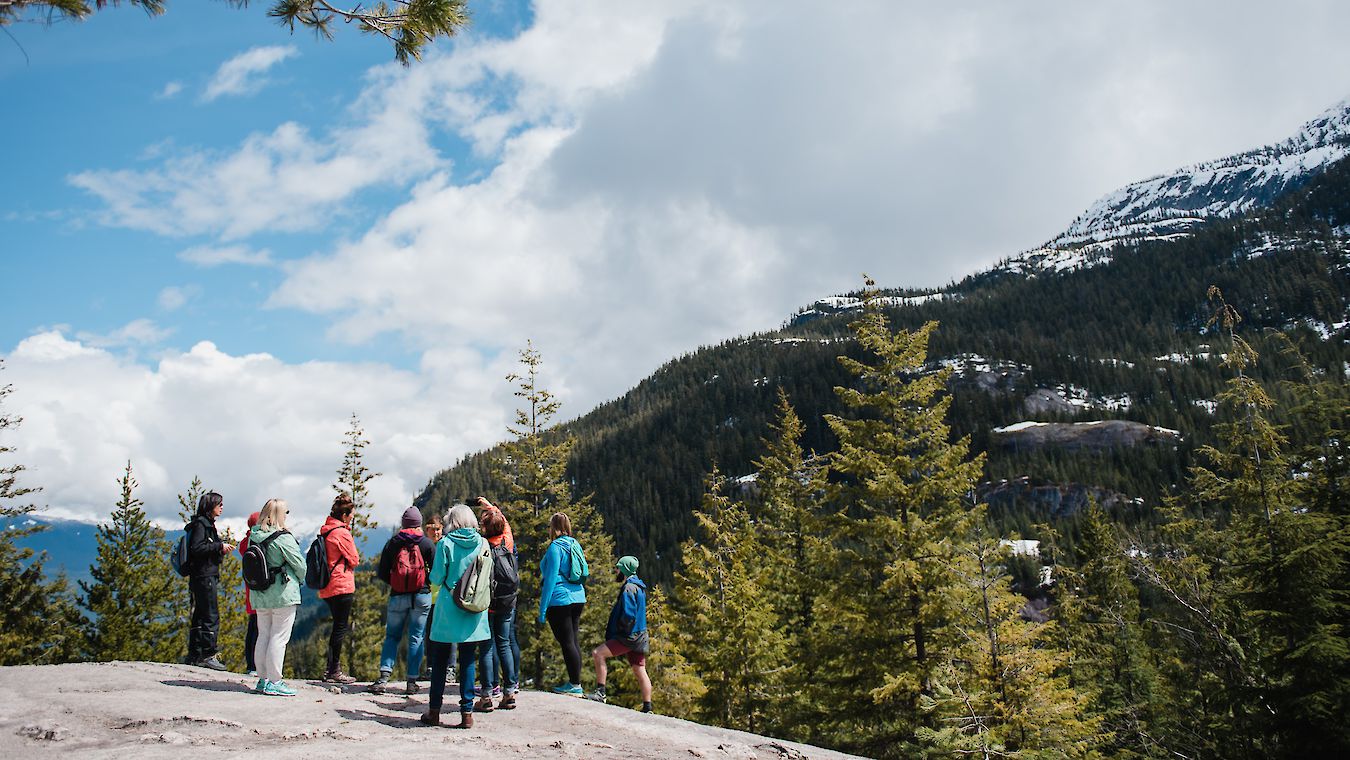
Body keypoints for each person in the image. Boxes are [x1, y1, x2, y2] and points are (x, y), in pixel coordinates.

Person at [421, 504, 491, 729]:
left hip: (448, 608)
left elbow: (437, 578)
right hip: (473, 608)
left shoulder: (445, 544)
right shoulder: (483, 543)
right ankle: (467, 713)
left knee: (440, 660)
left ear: (452, 522)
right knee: (468, 659)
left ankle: (434, 711)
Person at [370, 506, 435, 695]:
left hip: (397, 596)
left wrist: (396, 583)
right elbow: (437, 571)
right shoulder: (426, 544)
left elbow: (382, 572)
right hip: (421, 596)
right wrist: (425, 583)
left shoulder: (392, 543)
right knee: (416, 636)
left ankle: (383, 678)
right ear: (419, 524)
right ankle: (412, 681)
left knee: (392, 636)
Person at [248, 498, 307, 697]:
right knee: (279, 637)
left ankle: (262, 680)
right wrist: (300, 578)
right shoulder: (283, 537)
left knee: (263, 634)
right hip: (282, 593)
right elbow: (300, 565)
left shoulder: (253, 536)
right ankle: (275, 681)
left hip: (259, 593)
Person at [587, 556, 652, 713]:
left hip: (629, 636)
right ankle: (647, 707)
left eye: (618, 568)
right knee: (639, 669)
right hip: (641, 636)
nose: (616, 570)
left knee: (598, 654)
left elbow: (628, 615)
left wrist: (620, 631)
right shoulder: (640, 587)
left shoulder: (629, 588)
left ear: (624, 569)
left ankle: (601, 693)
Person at [475, 503, 519, 712]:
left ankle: (487, 694)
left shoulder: (481, 546)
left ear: (484, 528)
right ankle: (509, 692)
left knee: (486, 646)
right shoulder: (507, 542)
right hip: (507, 601)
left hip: (487, 603)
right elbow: (505, 525)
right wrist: (493, 508)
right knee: (504, 644)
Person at [538, 512, 587, 696]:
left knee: (567, 642)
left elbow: (550, 580)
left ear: (553, 527)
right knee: (573, 641)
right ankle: (576, 682)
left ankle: (575, 685)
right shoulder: (575, 544)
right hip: (578, 597)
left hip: (560, 599)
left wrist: (543, 610)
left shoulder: (555, 548)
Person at [186, 491, 235, 670]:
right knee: (211, 615)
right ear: (210, 506)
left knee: (200, 614)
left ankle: (195, 653)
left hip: (200, 575)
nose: (221, 508)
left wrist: (218, 549)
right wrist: (219, 546)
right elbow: (197, 548)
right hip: (205, 575)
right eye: (219, 504)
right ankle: (208, 654)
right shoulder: (202, 525)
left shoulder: (202, 523)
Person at [318, 493, 360, 684]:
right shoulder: (342, 533)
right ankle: (333, 669)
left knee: (337, 627)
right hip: (341, 584)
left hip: (327, 585)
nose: (352, 518)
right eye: (351, 515)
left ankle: (331, 668)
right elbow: (354, 559)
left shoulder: (326, 531)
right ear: (344, 516)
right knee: (340, 628)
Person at [420, 513, 457, 685]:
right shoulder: (423, 547)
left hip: (445, 596)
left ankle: (450, 669)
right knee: (430, 634)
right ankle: (431, 667)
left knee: (449, 633)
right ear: (425, 530)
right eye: (432, 529)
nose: (435, 532)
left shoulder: (446, 545)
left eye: (438, 529)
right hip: (428, 597)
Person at [238, 510, 261, 676]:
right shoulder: (256, 541)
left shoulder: (246, 542)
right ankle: (254, 665)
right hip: (259, 591)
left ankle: (251, 665)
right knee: (258, 630)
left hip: (251, 590)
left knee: (253, 628)